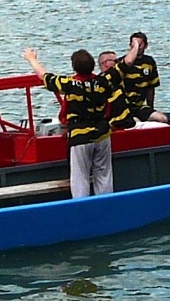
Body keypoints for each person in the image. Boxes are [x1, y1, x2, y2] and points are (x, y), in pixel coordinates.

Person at [23, 47, 117, 198]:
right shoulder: (103, 81)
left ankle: (81, 210)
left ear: (74, 67)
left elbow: (44, 76)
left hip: (80, 136)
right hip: (103, 134)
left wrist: (32, 59)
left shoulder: (70, 84)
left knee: (80, 179)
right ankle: (107, 207)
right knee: (104, 175)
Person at [119, 32, 167, 123]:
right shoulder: (123, 63)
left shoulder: (149, 62)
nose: (138, 47)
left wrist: (151, 107)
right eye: (135, 44)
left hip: (140, 106)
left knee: (162, 119)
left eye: (140, 44)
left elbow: (151, 87)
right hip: (125, 108)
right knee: (136, 122)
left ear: (145, 46)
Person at [98, 44, 138, 130]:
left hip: (110, 123)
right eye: (115, 61)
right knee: (161, 124)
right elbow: (128, 62)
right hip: (121, 124)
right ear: (106, 63)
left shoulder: (96, 81)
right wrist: (136, 45)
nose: (117, 63)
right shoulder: (112, 75)